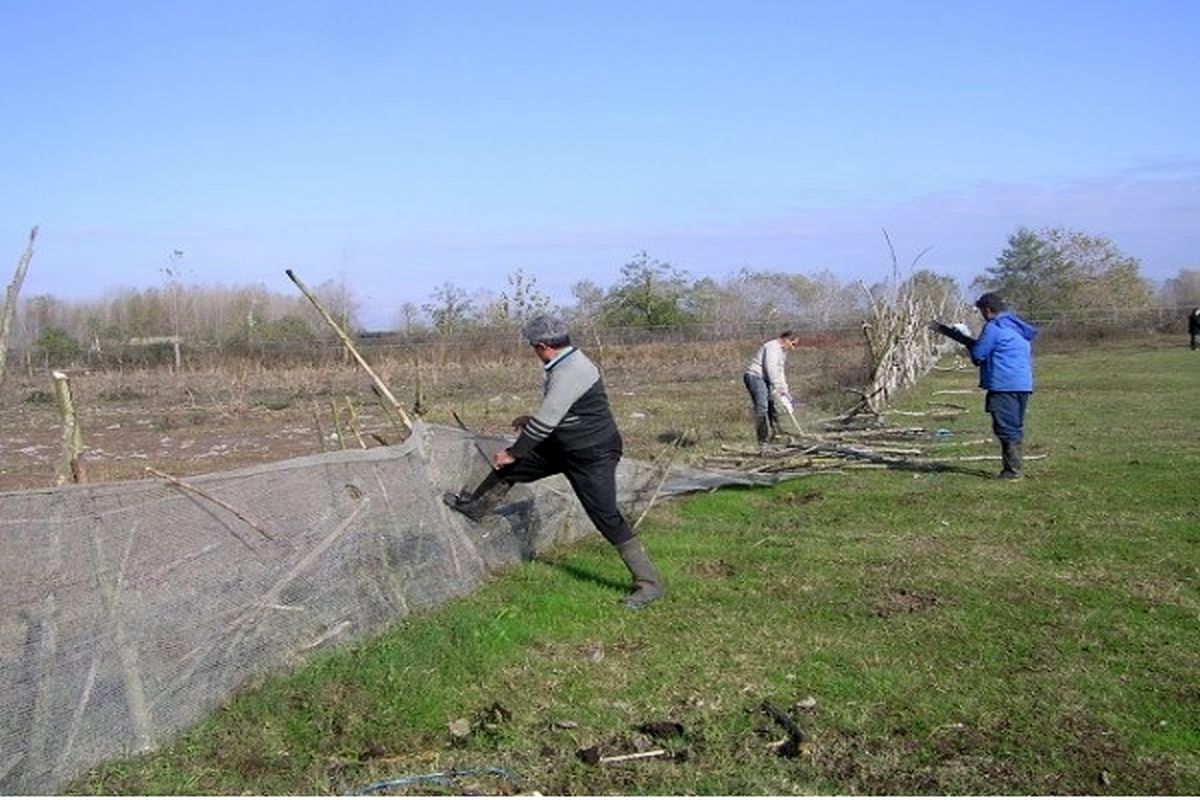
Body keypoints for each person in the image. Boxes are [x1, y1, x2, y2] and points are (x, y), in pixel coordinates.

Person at [443, 315, 665, 610]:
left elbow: (547, 422)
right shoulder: (564, 363)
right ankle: (475, 508)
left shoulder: (571, 370)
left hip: (592, 453)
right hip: (563, 445)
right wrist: (528, 426)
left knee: (606, 516)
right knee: (508, 470)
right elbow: (559, 411)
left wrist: (514, 451)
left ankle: (649, 585)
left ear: (544, 346)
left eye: (533, 347)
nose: (533, 351)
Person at [929, 292, 1038, 479]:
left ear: (987, 310)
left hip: (1003, 384)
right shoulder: (1016, 327)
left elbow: (978, 355)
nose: (980, 314)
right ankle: (1014, 467)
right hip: (1022, 383)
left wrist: (964, 340)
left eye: (980, 311)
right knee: (1014, 425)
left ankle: (1012, 471)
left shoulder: (993, 328)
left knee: (1005, 427)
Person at [742, 330, 801, 443]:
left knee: (772, 406)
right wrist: (777, 386)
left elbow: (780, 371)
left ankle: (776, 434)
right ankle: (762, 439)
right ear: (786, 339)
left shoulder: (782, 352)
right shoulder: (772, 347)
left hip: (766, 379)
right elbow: (771, 368)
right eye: (793, 344)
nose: (793, 348)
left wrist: (784, 389)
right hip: (756, 377)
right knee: (762, 407)